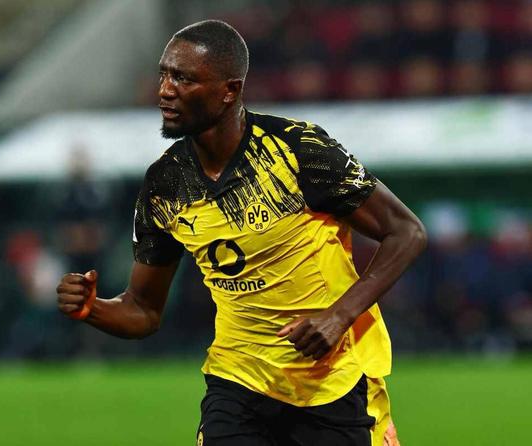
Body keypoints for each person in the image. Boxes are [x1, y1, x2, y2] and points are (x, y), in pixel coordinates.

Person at [56, 20, 426, 446]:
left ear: (229, 90)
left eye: (183, 78)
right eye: (163, 75)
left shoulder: (299, 152)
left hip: (332, 383)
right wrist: (93, 309)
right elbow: (143, 309)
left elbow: (407, 232)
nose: (165, 91)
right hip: (237, 383)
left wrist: (339, 316)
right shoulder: (165, 185)